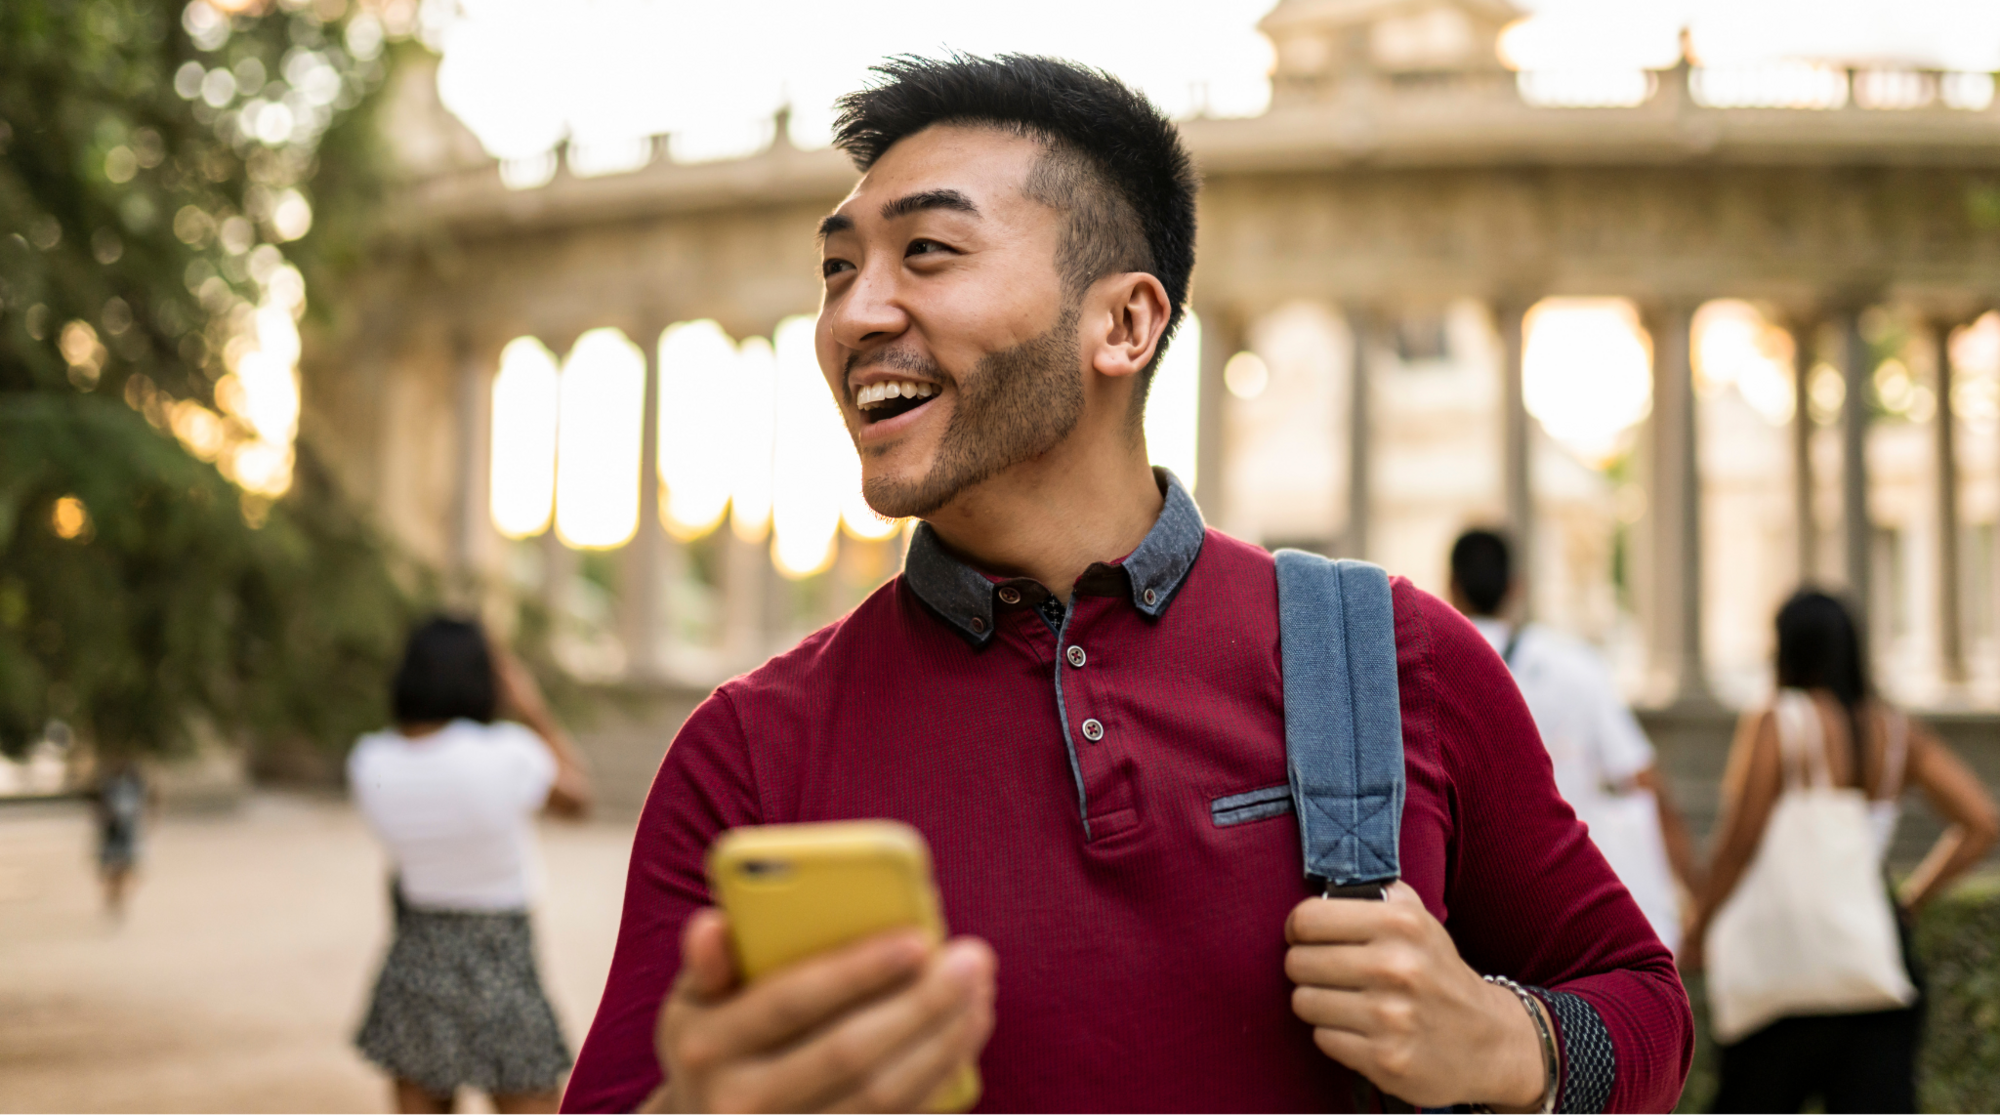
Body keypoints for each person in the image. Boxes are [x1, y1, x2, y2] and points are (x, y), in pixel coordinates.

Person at [564, 55, 1691, 1114]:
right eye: (836, 267)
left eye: (927, 253)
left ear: (1124, 321)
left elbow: (1643, 998)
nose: (853, 314)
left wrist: (1507, 1041)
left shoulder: (1392, 653)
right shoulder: (748, 751)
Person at [1684, 590, 1997, 1113]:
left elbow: (1738, 846)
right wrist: (1911, 901)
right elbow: (1982, 823)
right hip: (1875, 960)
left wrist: (1698, 929)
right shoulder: (1895, 732)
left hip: (1784, 965)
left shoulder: (1779, 722)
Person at [350, 617, 595, 1114]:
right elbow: (579, 800)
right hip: (501, 956)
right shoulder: (508, 752)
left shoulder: (370, 758)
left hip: (416, 956)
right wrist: (533, 708)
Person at [1447, 528, 1702, 951]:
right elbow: (1643, 781)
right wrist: (1695, 893)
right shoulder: (1575, 666)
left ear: (1452, 586)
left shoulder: (1430, 665)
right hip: (1569, 902)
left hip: (1467, 910)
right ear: (1516, 586)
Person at [89, 755, 154, 919]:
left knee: (127, 868)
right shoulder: (108, 785)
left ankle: (117, 898)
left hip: (127, 832)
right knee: (114, 869)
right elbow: (98, 805)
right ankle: (114, 897)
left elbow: (152, 799)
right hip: (113, 832)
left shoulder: (134, 784)